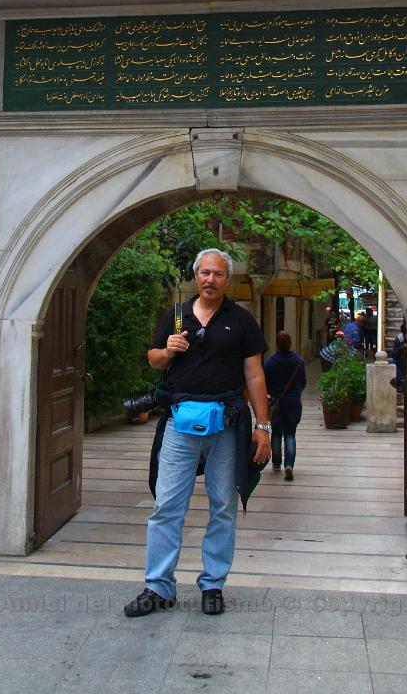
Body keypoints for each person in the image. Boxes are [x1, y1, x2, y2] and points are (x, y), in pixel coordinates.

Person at [124, 248, 270, 619]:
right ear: (196, 276)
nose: (210, 279)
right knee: (166, 506)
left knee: (223, 506)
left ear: (227, 280)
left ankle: (213, 584)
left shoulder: (241, 321)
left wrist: (263, 427)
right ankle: (158, 587)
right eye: (205, 273)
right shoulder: (176, 315)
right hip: (179, 424)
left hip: (227, 426)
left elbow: (254, 375)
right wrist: (168, 350)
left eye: (218, 274)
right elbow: (153, 359)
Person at [264, 331, 307, 481]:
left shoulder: (269, 362)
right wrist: (295, 393)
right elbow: (303, 383)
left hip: (276, 404)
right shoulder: (299, 362)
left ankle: (276, 464)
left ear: (276, 345)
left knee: (276, 434)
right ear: (290, 344)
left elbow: (265, 384)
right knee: (290, 434)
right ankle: (289, 465)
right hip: (293, 404)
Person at [391, 322, 407, 392]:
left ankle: (402, 386)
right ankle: (401, 387)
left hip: (406, 360)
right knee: (394, 363)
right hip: (399, 359)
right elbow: (394, 354)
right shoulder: (399, 338)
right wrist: (402, 347)